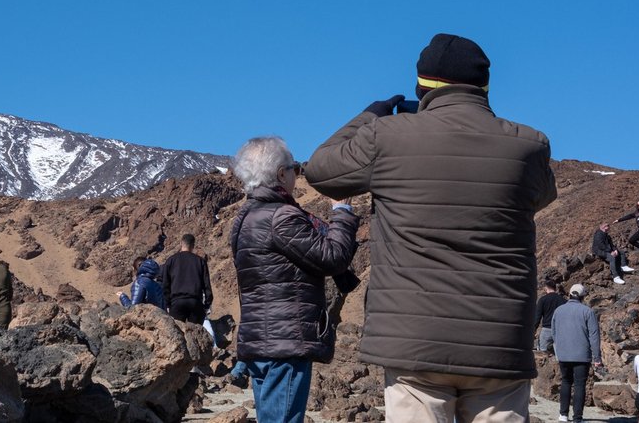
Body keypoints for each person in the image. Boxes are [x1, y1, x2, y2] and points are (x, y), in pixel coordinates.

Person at [305, 33, 556, 423]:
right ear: (484, 87)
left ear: (422, 87)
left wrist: (370, 115)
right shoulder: (529, 146)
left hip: (414, 341)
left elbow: (321, 171)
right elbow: (541, 197)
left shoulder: (386, 136)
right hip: (499, 343)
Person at [230, 136, 358, 423]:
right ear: (280, 174)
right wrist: (342, 212)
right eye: (294, 168)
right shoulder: (281, 217)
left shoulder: (245, 217)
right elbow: (333, 257)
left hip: (261, 341)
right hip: (284, 343)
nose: (297, 175)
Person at [552, 283, 602, 423]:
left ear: (569, 294)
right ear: (583, 296)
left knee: (566, 382)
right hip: (582, 355)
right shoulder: (587, 311)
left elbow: (554, 333)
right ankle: (577, 418)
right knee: (580, 385)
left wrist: (559, 350)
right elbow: (594, 336)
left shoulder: (559, 310)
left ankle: (563, 415)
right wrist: (597, 357)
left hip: (563, 354)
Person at [162, 233, 214, 325]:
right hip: (195, 302)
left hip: (177, 302)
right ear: (193, 245)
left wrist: (167, 303)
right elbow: (206, 284)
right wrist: (207, 304)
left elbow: (166, 284)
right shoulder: (200, 261)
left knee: (178, 334)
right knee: (196, 335)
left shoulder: (171, 260)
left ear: (181, 243)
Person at [536, 278, 566, 354]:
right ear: (555, 288)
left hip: (546, 329)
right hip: (559, 329)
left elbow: (537, 317)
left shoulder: (542, 300)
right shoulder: (563, 300)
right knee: (560, 354)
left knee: (543, 353)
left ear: (546, 288)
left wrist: (533, 329)